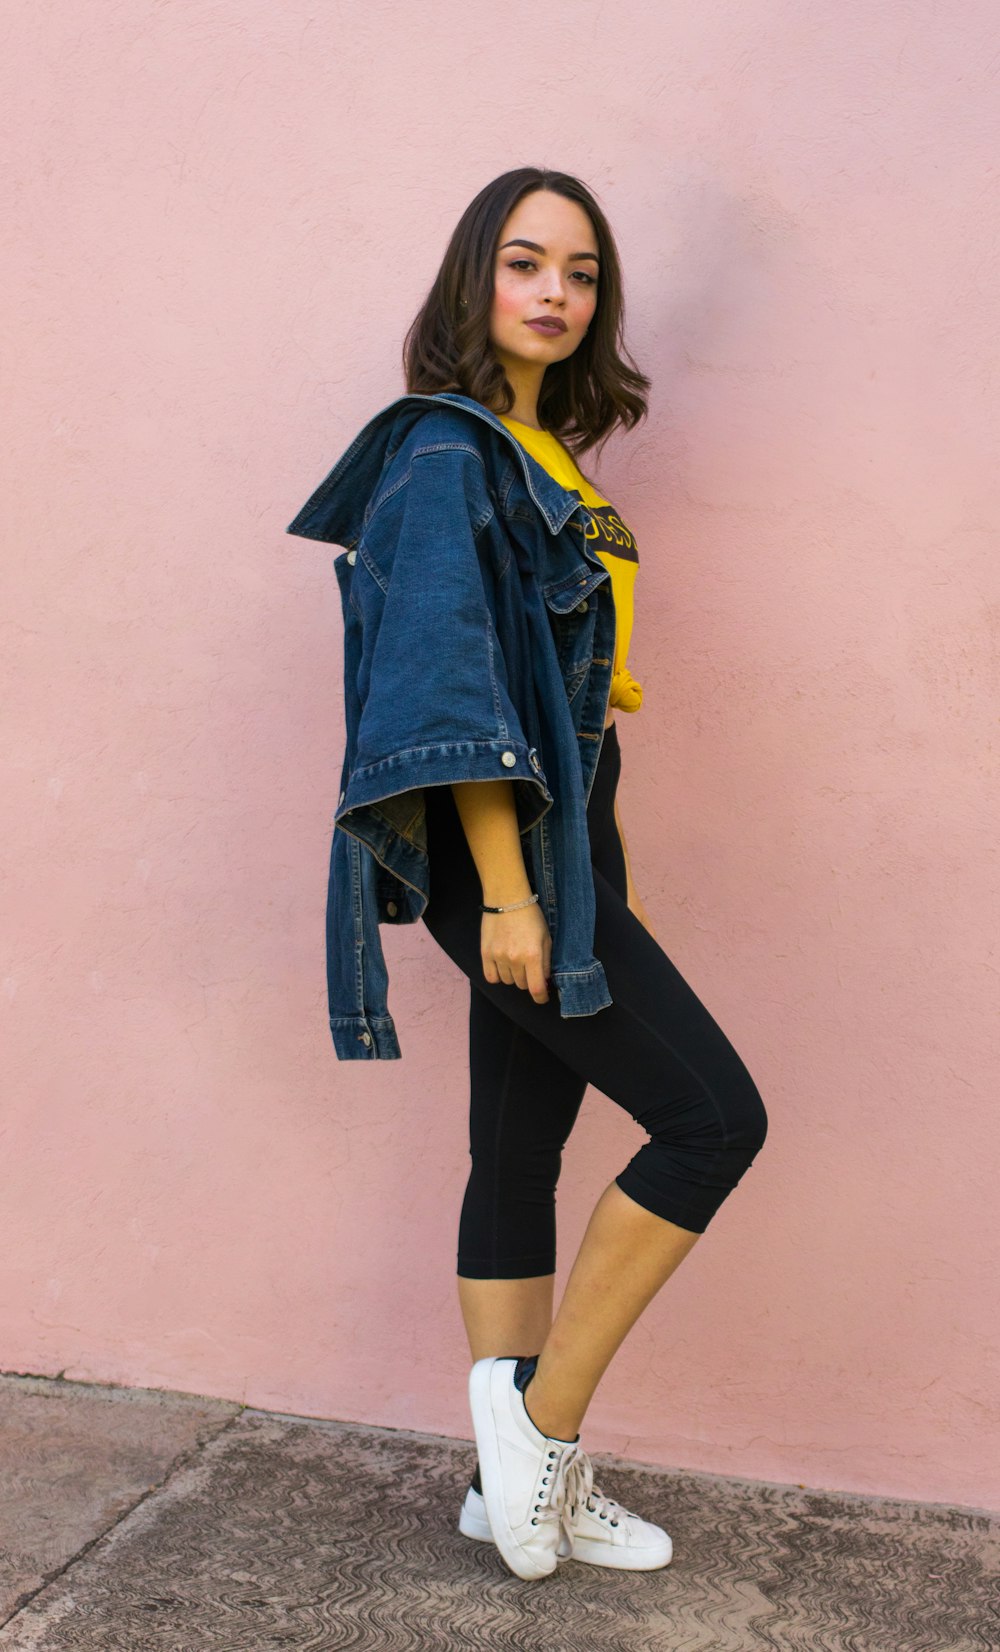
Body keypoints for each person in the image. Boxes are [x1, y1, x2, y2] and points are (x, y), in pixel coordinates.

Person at [302, 167, 769, 1582]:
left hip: (569, 830)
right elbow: (450, 689)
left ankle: (498, 1489)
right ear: (472, 281)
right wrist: (509, 894)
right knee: (712, 1119)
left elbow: (567, 675)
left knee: (519, 1146)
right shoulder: (447, 454)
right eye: (523, 263)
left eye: (578, 271)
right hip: (501, 843)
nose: (554, 291)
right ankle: (543, 1435)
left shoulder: (544, 457)